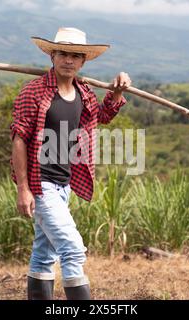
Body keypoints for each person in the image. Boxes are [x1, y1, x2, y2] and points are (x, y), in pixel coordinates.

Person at [10, 27, 131, 300]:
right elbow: (19, 139)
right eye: (63, 54)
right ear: (53, 55)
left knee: (44, 253)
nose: (68, 60)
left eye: (75, 56)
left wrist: (116, 94)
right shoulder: (34, 92)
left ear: (83, 61)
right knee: (73, 248)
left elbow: (100, 117)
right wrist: (23, 188)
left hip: (64, 184)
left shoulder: (83, 92)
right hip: (41, 185)